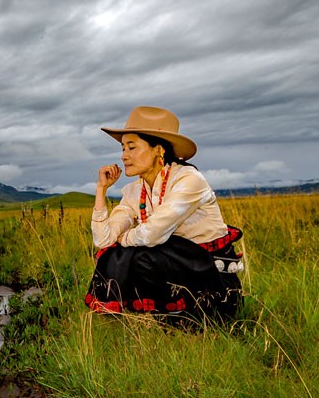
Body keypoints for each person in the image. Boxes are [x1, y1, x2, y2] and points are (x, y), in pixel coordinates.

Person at [85, 106, 244, 323]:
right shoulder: (134, 191)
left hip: (209, 276)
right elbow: (102, 239)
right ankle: (160, 317)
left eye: (132, 148)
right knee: (115, 254)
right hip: (174, 268)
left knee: (141, 254)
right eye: (122, 149)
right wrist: (101, 190)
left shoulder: (189, 180)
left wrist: (125, 238)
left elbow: (152, 234)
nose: (124, 156)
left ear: (158, 150)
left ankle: (202, 315)